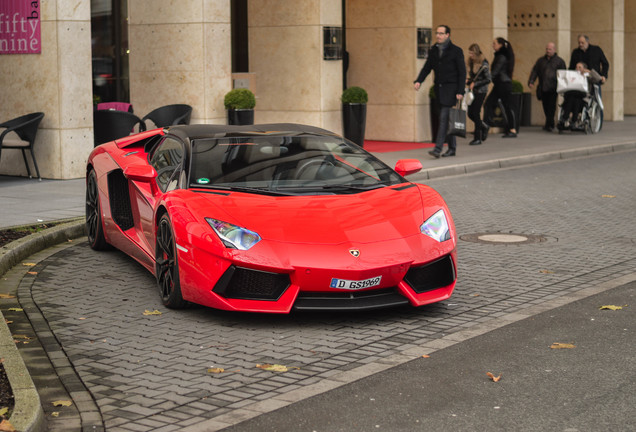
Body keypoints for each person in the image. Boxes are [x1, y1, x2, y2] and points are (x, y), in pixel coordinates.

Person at [414, 25, 466, 158]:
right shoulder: (434, 50)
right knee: (447, 119)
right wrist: (419, 80)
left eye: (441, 33)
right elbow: (427, 68)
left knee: (443, 118)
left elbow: (462, 72)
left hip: (451, 89)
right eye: (437, 33)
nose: (438, 36)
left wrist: (460, 91)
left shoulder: (456, 51)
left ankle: (438, 148)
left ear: (447, 35)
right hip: (439, 90)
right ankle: (452, 148)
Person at [528, 42, 566, 131]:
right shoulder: (541, 60)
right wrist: (531, 81)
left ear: (554, 50)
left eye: (550, 49)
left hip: (553, 87)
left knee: (551, 107)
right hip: (543, 87)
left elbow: (563, 74)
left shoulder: (559, 61)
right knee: (545, 106)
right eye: (547, 49)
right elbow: (535, 71)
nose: (548, 51)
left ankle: (549, 124)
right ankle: (549, 123)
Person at [483, 37, 517, 138]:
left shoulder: (501, 56)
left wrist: (485, 80)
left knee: (506, 106)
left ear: (500, 45)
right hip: (500, 84)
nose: (493, 45)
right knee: (489, 104)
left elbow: (495, 71)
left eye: (495, 43)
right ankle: (485, 126)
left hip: (503, 85)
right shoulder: (500, 55)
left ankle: (512, 129)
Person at [558, 61, 602, 131]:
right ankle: (570, 119)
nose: (577, 69)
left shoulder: (588, 76)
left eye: (580, 67)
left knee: (576, 99)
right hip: (571, 96)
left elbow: (598, 79)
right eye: (576, 67)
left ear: (584, 68)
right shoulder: (572, 75)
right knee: (572, 97)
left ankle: (567, 118)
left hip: (583, 98)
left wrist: (589, 72)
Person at [465, 43, 491, 145]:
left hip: (481, 91)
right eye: (469, 53)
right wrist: (469, 81)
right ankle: (484, 126)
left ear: (476, 53)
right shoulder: (470, 62)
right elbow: (473, 77)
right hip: (473, 91)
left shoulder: (484, 63)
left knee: (475, 112)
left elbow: (488, 79)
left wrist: (475, 83)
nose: (470, 55)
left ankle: (478, 137)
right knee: (470, 113)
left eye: (472, 53)